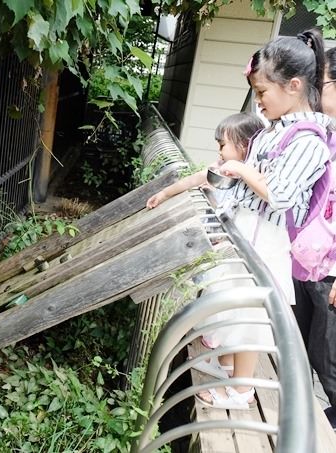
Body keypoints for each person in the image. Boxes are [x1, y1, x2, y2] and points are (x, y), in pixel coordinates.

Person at [193, 29, 330, 410]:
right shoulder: (273, 132)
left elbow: (281, 194)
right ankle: (231, 373)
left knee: (251, 315)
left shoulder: (310, 141)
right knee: (237, 306)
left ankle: (241, 392)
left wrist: (241, 169)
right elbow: (247, 185)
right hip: (248, 232)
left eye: (262, 93)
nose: (258, 101)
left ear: (294, 86)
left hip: (270, 242)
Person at [293, 45, 336, 429]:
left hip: (331, 272)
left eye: (321, 82)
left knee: (328, 355)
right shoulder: (326, 133)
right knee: (306, 346)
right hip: (309, 259)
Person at [146, 112, 264, 210]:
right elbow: (193, 180)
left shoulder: (255, 172)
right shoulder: (222, 166)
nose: (219, 151)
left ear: (244, 144)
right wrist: (164, 194)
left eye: (222, 145)